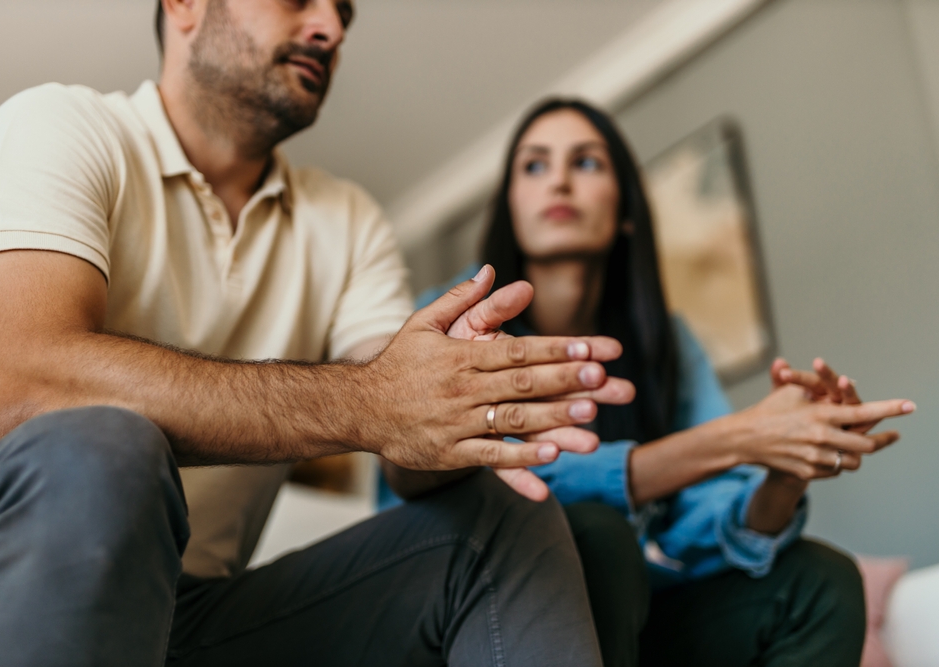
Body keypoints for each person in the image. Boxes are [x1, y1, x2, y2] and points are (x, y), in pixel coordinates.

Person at [0, 3, 641, 665]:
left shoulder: (347, 221)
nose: (331, 27)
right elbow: (35, 383)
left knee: (505, 521)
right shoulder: (57, 126)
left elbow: (406, 449)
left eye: (343, 11)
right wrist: (373, 401)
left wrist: (452, 396)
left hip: (189, 619)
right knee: (105, 441)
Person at [384, 98, 916, 667]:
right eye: (534, 166)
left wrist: (780, 479)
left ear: (627, 211)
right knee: (595, 536)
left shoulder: (667, 342)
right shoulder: (449, 317)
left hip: (628, 611)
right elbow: (487, 498)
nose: (559, 180)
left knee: (821, 583)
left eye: (586, 163)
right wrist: (736, 437)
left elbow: (697, 531)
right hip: (474, 602)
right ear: (510, 206)